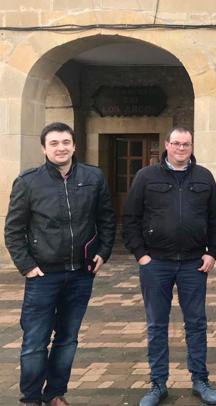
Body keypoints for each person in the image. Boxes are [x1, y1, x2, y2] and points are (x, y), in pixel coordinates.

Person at [4, 122, 116, 406]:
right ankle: (31, 398)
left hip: (80, 274)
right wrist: (27, 266)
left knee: (67, 339)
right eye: (53, 143)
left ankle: (55, 394)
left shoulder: (93, 177)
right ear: (44, 148)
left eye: (66, 142)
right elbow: (13, 230)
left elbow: (106, 218)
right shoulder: (28, 182)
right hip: (43, 275)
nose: (60, 147)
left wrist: (103, 252)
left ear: (74, 145)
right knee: (34, 342)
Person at [123, 127, 216, 406]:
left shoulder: (203, 176)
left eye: (187, 144)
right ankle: (158, 383)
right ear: (166, 145)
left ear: (192, 147)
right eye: (176, 143)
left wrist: (212, 252)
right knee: (157, 324)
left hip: (194, 263)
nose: (182, 148)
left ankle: (200, 380)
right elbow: (130, 217)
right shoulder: (146, 176)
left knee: (196, 323)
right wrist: (141, 255)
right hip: (156, 263)